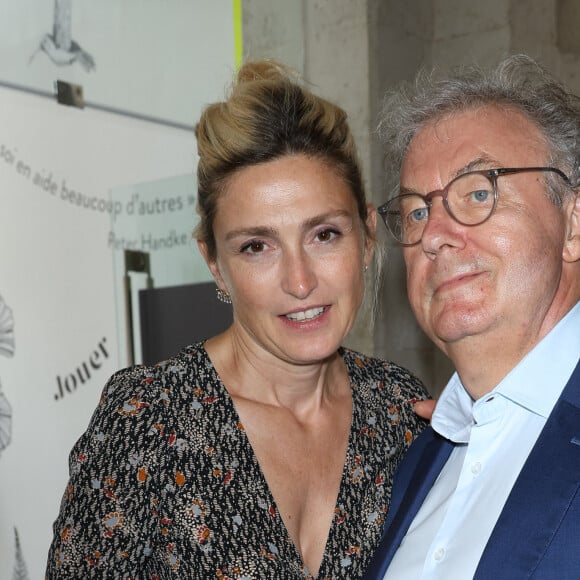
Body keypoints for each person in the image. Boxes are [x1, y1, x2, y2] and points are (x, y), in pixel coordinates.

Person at [46, 60, 430, 579]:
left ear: (365, 236)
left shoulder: (401, 414)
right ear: (215, 265)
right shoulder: (145, 423)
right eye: (256, 246)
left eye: (324, 235)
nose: (300, 281)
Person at [363, 54, 580, 580]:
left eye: (479, 193)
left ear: (573, 225)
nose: (434, 234)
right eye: (417, 210)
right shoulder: (417, 460)